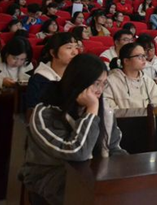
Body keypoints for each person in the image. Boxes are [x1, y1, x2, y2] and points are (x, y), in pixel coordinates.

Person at [19, 54, 126, 204]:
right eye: (96, 83)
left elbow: (113, 148)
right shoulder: (45, 113)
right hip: (51, 176)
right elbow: (77, 152)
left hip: (91, 173)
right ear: (79, 81)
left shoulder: (104, 112)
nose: (100, 90)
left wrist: (129, 170)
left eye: (104, 84)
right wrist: (92, 110)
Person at [104, 42, 157, 109]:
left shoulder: (147, 80)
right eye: (139, 56)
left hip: (146, 116)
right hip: (122, 116)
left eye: (144, 55)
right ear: (126, 61)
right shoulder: (111, 81)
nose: (144, 59)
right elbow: (108, 105)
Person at [26, 33, 80, 109]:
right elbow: (32, 110)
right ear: (53, 53)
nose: (75, 52)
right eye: (69, 48)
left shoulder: (78, 74)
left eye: (76, 47)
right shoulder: (40, 79)